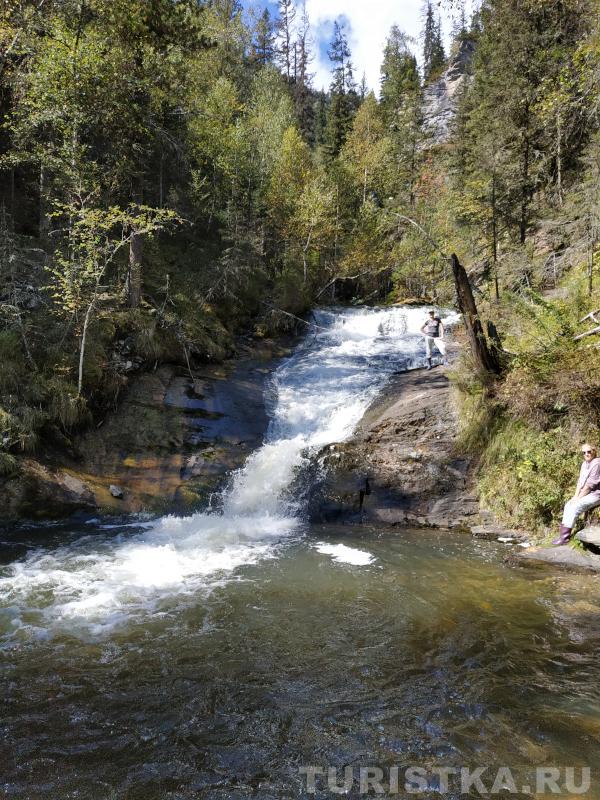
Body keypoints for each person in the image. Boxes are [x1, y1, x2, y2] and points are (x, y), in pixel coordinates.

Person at [553, 444, 600, 545]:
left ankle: (565, 539)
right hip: (587, 493)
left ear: (594, 451)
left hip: (596, 494)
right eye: (584, 452)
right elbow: (580, 482)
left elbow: (589, 485)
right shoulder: (584, 464)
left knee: (575, 506)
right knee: (568, 504)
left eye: (589, 452)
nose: (586, 454)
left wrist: (578, 498)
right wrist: (575, 496)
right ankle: (563, 536)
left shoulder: (597, 463)